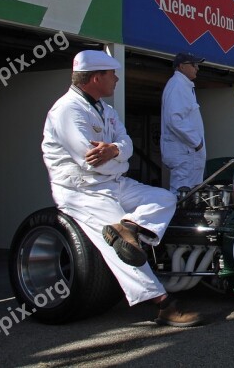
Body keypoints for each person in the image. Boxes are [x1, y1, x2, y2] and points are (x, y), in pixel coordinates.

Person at [42, 50, 202, 327]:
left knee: (164, 197)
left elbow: (126, 144)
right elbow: (91, 162)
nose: (117, 78)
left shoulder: (107, 109)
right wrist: (118, 156)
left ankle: (130, 227)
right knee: (120, 248)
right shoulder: (66, 110)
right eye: (111, 74)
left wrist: (114, 150)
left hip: (114, 183)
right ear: (95, 77)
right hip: (82, 191)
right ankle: (163, 304)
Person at [161, 52, 206, 195]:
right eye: (194, 65)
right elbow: (174, 120)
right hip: (185, 152)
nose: (197, 68)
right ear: (181, 66)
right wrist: (196, 142)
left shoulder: (183, 85)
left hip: (187, 152)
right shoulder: (177, 86)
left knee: (190, 194)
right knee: (181, 194)